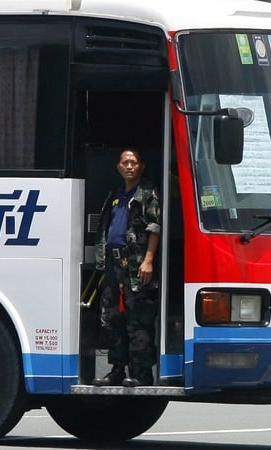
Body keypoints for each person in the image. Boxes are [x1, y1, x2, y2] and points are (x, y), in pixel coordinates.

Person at [92, 149, 161, 387]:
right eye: (125, 162)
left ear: (141, 167)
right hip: (114, 264)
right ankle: (117, 370)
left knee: (138, 320)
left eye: (134, 162)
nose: (129, 166)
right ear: (118, 167)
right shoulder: (116, 193)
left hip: (137, 266)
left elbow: (155, 227)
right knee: (112, 318)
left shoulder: (147, 192)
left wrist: (148, 260)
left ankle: (142, 373)